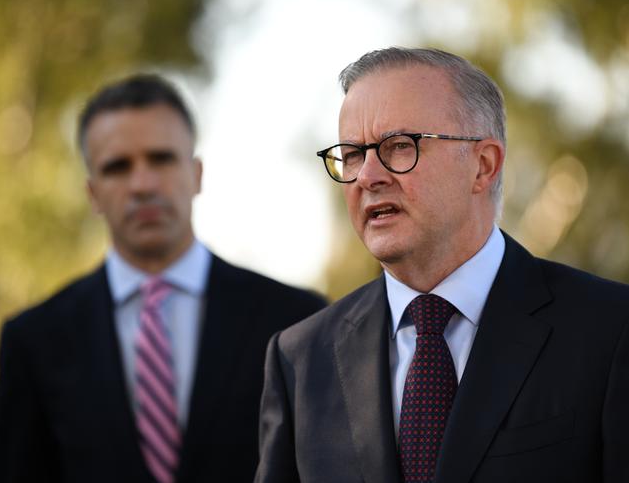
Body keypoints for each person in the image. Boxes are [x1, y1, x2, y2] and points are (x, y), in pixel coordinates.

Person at [255, 47, 629, 483]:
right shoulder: (300, 360)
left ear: (483, 166)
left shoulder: (610, 330)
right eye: (352, 155)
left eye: (398, 146)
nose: (367, 177)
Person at [0, 74, 326, 483]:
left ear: (197, 173)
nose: (143, 184)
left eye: (161, 159)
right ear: (93, 193)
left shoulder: (298, 323)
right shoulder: (33, 342)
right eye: (117, 167)